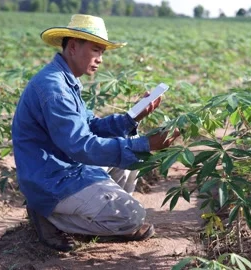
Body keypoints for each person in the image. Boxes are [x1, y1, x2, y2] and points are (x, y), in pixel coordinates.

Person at [11, 14, 179, 252]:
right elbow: (81, 145)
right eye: (96, 50)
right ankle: (49, 216)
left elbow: (90, 126)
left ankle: (104, 215)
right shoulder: (55, 89)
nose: (100, 59)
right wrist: (146, 144)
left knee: (128, 159)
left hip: (67, 168)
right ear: (72, 47)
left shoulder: (65, 80)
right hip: (53, 179)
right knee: (132, 216)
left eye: (102, 52)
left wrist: (131, 118)